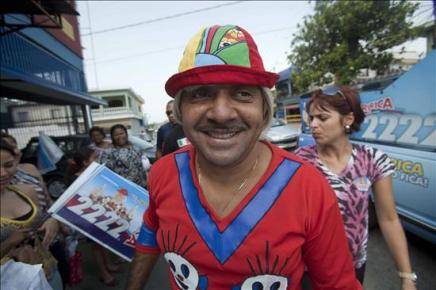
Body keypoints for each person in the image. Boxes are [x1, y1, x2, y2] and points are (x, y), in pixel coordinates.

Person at [126, 24, 361, 290]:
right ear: (180, 111)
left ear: (263, 111)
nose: (222, 113)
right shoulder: (162, 173)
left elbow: (337, 285)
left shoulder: (308, 187)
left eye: (242, 93)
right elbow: (150, 234)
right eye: (201, 94)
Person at [294, 86, 417, 289]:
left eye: (322, 118)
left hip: (354, 266)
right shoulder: (299, 161)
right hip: (309, 268)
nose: (313, 125)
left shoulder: (372, 160)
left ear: (348, 120)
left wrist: (406, 276)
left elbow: (389, 219)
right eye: (311, 118)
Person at [0, 139, 63, 290]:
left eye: (8, 165)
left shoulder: (25, 191)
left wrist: (52, 221)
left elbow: (39, 223)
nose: (2, 173)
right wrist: (9, 243)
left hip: (49, 271)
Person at [65, 146, 121, 286]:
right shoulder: (76, 179)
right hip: (89, 218)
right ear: (85, 162)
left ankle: (108, 264)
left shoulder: (94, 174)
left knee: (103, 242)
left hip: (100, 214)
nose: (98, 160)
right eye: (94, 158)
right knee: (96, 246)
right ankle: (104, 273)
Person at [100, 124, 148, 188]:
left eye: (122, 133)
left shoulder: (136, 148)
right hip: (123, 188)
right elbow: (106, 171)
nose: (119, 136)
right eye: (116, 135)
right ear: (112, 137)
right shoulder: (108, 152)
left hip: (142, 186)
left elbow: (142, 168)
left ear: (126, 134)